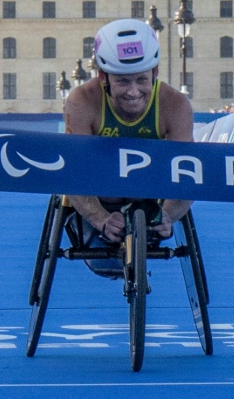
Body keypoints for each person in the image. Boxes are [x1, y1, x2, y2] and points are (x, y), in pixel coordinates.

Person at [63, 19, 194, 274]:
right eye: (122, 82)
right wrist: (99, 219)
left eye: (142, 81)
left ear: (155, 73)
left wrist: (169, 215)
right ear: (103, 77)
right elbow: (72, 172)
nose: (133, 92)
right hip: (98, 200)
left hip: (149, 203)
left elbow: (187, 174)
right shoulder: (82, 101)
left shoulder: (176, 105)